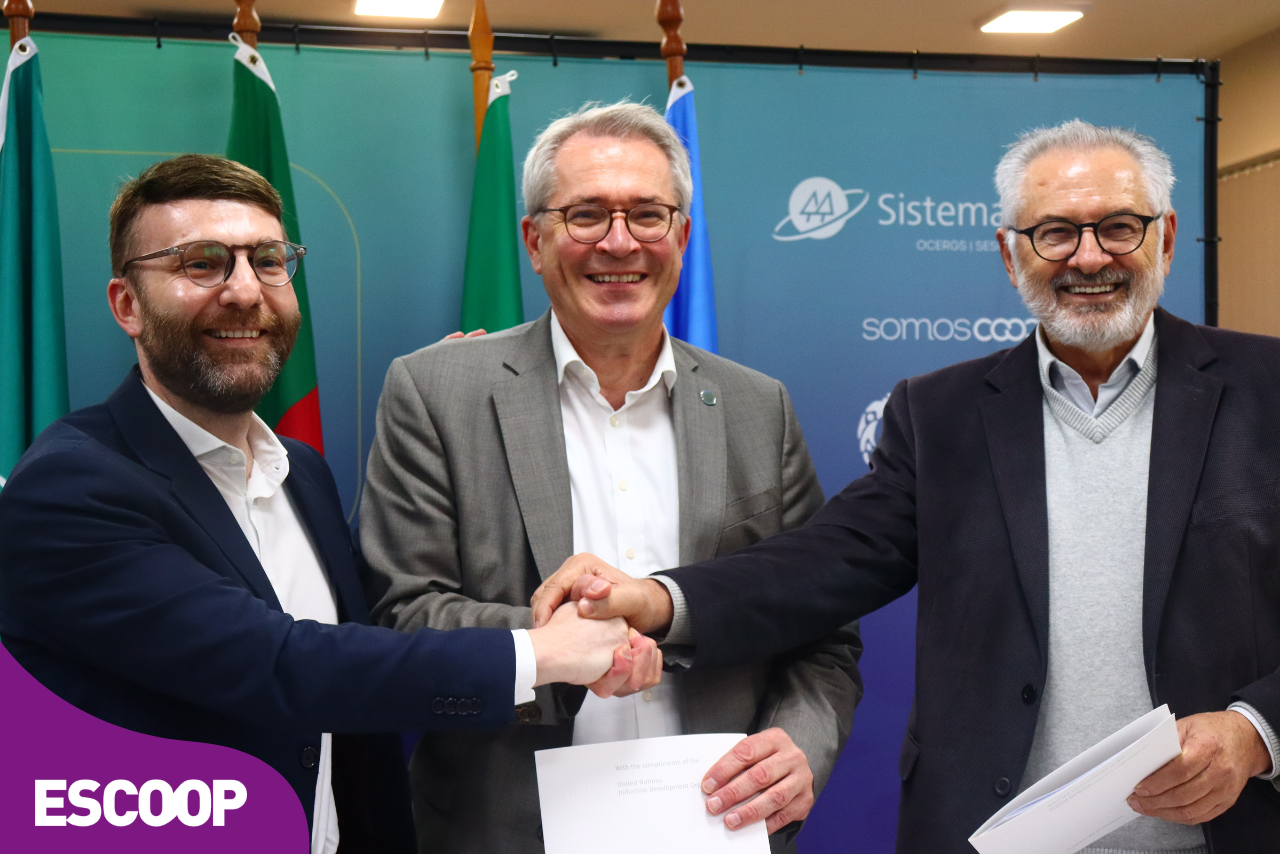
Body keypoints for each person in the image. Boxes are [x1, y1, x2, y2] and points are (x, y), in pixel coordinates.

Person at [532, 120, 1280, 853]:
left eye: (1118, 227)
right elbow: (822, 563)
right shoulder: (940, 412)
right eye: (1054, 233)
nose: (1089, 257)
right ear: (1010, 254)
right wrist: (657, 598)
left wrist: (1255, 730)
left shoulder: (1269, 391)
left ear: (1166, 238)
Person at [0, 154, 657, 854]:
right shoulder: (70, 488)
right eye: (202, 264)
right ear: (127, 305)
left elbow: (366, 663)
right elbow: (281, 666)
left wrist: (459, 414)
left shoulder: (301, 474)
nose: (244, 291)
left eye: (268, 261)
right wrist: (542, 653)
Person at [359, 101, 862, 854]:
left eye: (647, 215)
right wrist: (562, 648)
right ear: (535, 240)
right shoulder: (434, 393)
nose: (619, 243)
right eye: (586, 215)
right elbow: (405, 615)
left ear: (681, 236)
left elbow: (819, 626)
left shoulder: (760, 407)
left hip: (715, 828)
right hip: (505, 831)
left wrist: (799, 745)